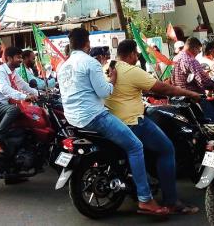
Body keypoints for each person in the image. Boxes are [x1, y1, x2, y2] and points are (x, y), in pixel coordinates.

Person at [58, 28, 168, 215]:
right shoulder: (90, 62)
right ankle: (145, 199)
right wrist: (113, 80)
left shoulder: (64, 66)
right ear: (87, 44)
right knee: (135, 146)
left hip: (73, 119)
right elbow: (105, 92)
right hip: (94, 117)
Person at [105, 39, 201, 214]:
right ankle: (171, 201)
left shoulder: (107, 68)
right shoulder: (131, 70)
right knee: (167, 149)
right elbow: (165, 89)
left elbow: (132, 88)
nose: (136, 58)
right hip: (133, 121)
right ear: (132, 54)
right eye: (136, 55)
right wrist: (191, 93)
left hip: (111, 122)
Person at [0, 47, 39, 154]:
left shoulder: (12, 72)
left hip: (1, 105)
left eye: (21, 57)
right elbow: (5, 89)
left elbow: (23, 84)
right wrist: (24, 97)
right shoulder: (0, 72)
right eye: (18, 57)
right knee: (14, 110)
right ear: (9, 58)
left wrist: (38, 93)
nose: (21, 60)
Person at [172, 37, 214, 122]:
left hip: (180, 98)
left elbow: (173, 79)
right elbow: (203, 82)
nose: (198, 53)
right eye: (198, 51)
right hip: (194, 98)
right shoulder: (191, 60)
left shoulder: (176, 58)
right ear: (194, 48)